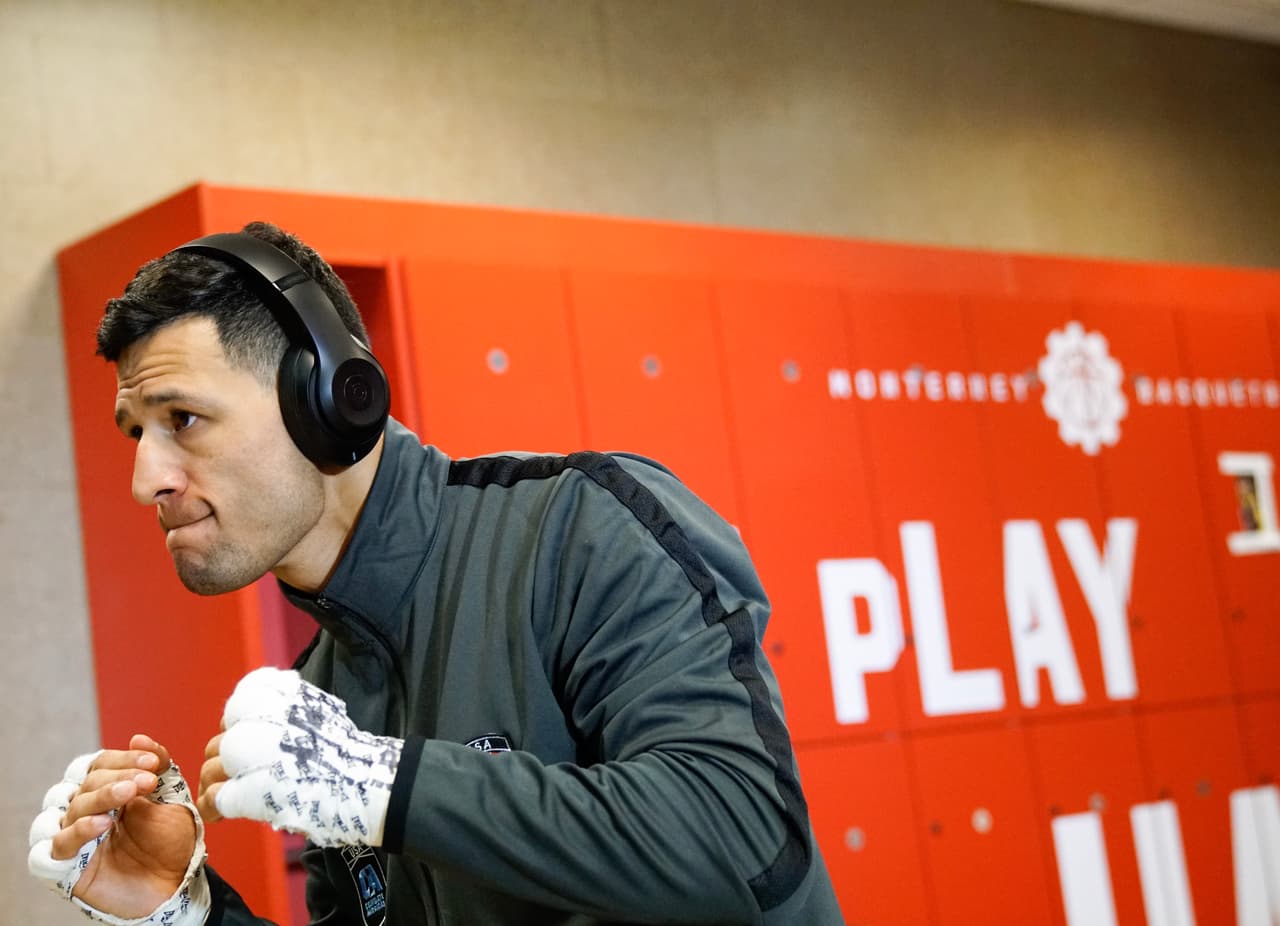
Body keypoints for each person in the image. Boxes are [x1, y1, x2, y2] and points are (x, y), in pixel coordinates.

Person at [28, 221, 842, 925]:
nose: (147, 479)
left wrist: (385, 783)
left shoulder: (580, 529)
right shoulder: (324, 694)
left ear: (328, 397)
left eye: (183, 419)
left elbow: (743, 839)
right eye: (136, 430)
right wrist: (184, 909)